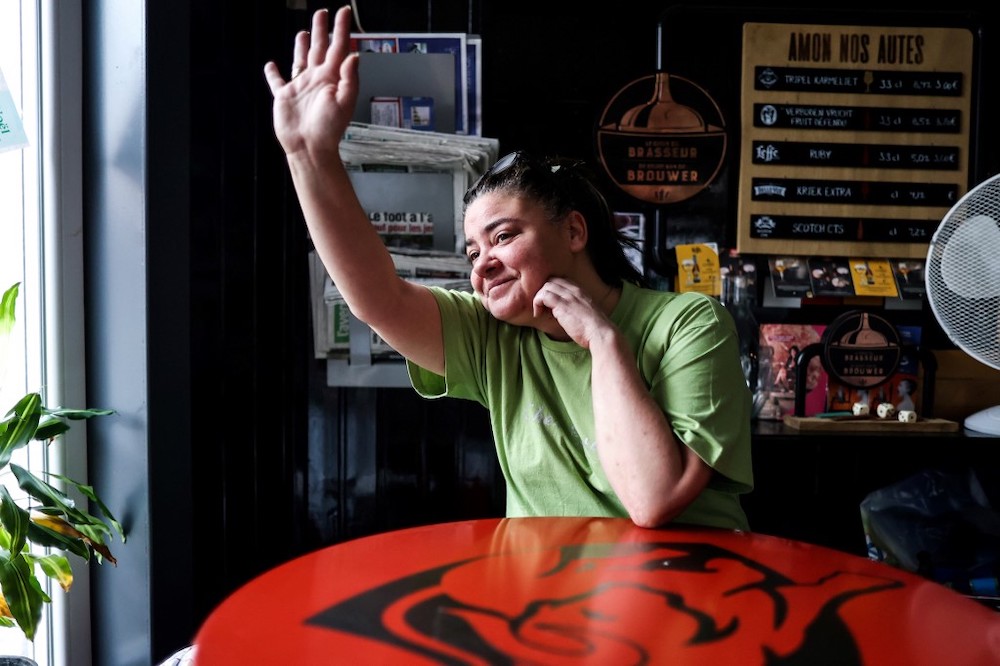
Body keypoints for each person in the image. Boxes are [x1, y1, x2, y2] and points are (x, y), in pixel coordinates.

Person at [263, 6, 753, 530]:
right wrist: (309, 154)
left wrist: (603, 342)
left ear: (573, 231)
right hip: (549, 602)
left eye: (503, 236)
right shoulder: (495, 337)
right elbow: (377, 298)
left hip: (690, 598)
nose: (484, 264)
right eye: (473, 253)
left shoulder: (689, 325)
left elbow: (652, 499)